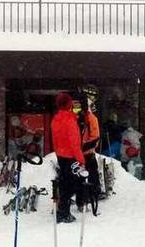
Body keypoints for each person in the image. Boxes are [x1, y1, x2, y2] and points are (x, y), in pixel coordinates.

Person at [51, 92, 88, 223]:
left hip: (61, 154)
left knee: (64, 182)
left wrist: (58, 151)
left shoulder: (56, 119)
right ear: (69, 104)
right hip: (71, 156)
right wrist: (81, 159)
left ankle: (62, 208)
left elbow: (55, 140)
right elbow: (75, 143)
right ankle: (63, 212)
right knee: (72, 184)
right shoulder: (70, 120)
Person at [80, 96, 102, 201]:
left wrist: (83, 147)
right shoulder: (76, 118)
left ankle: (94, 193)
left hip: (87, 152)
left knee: (92, 172)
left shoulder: (91, 119)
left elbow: (95, 137)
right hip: (77, 152)